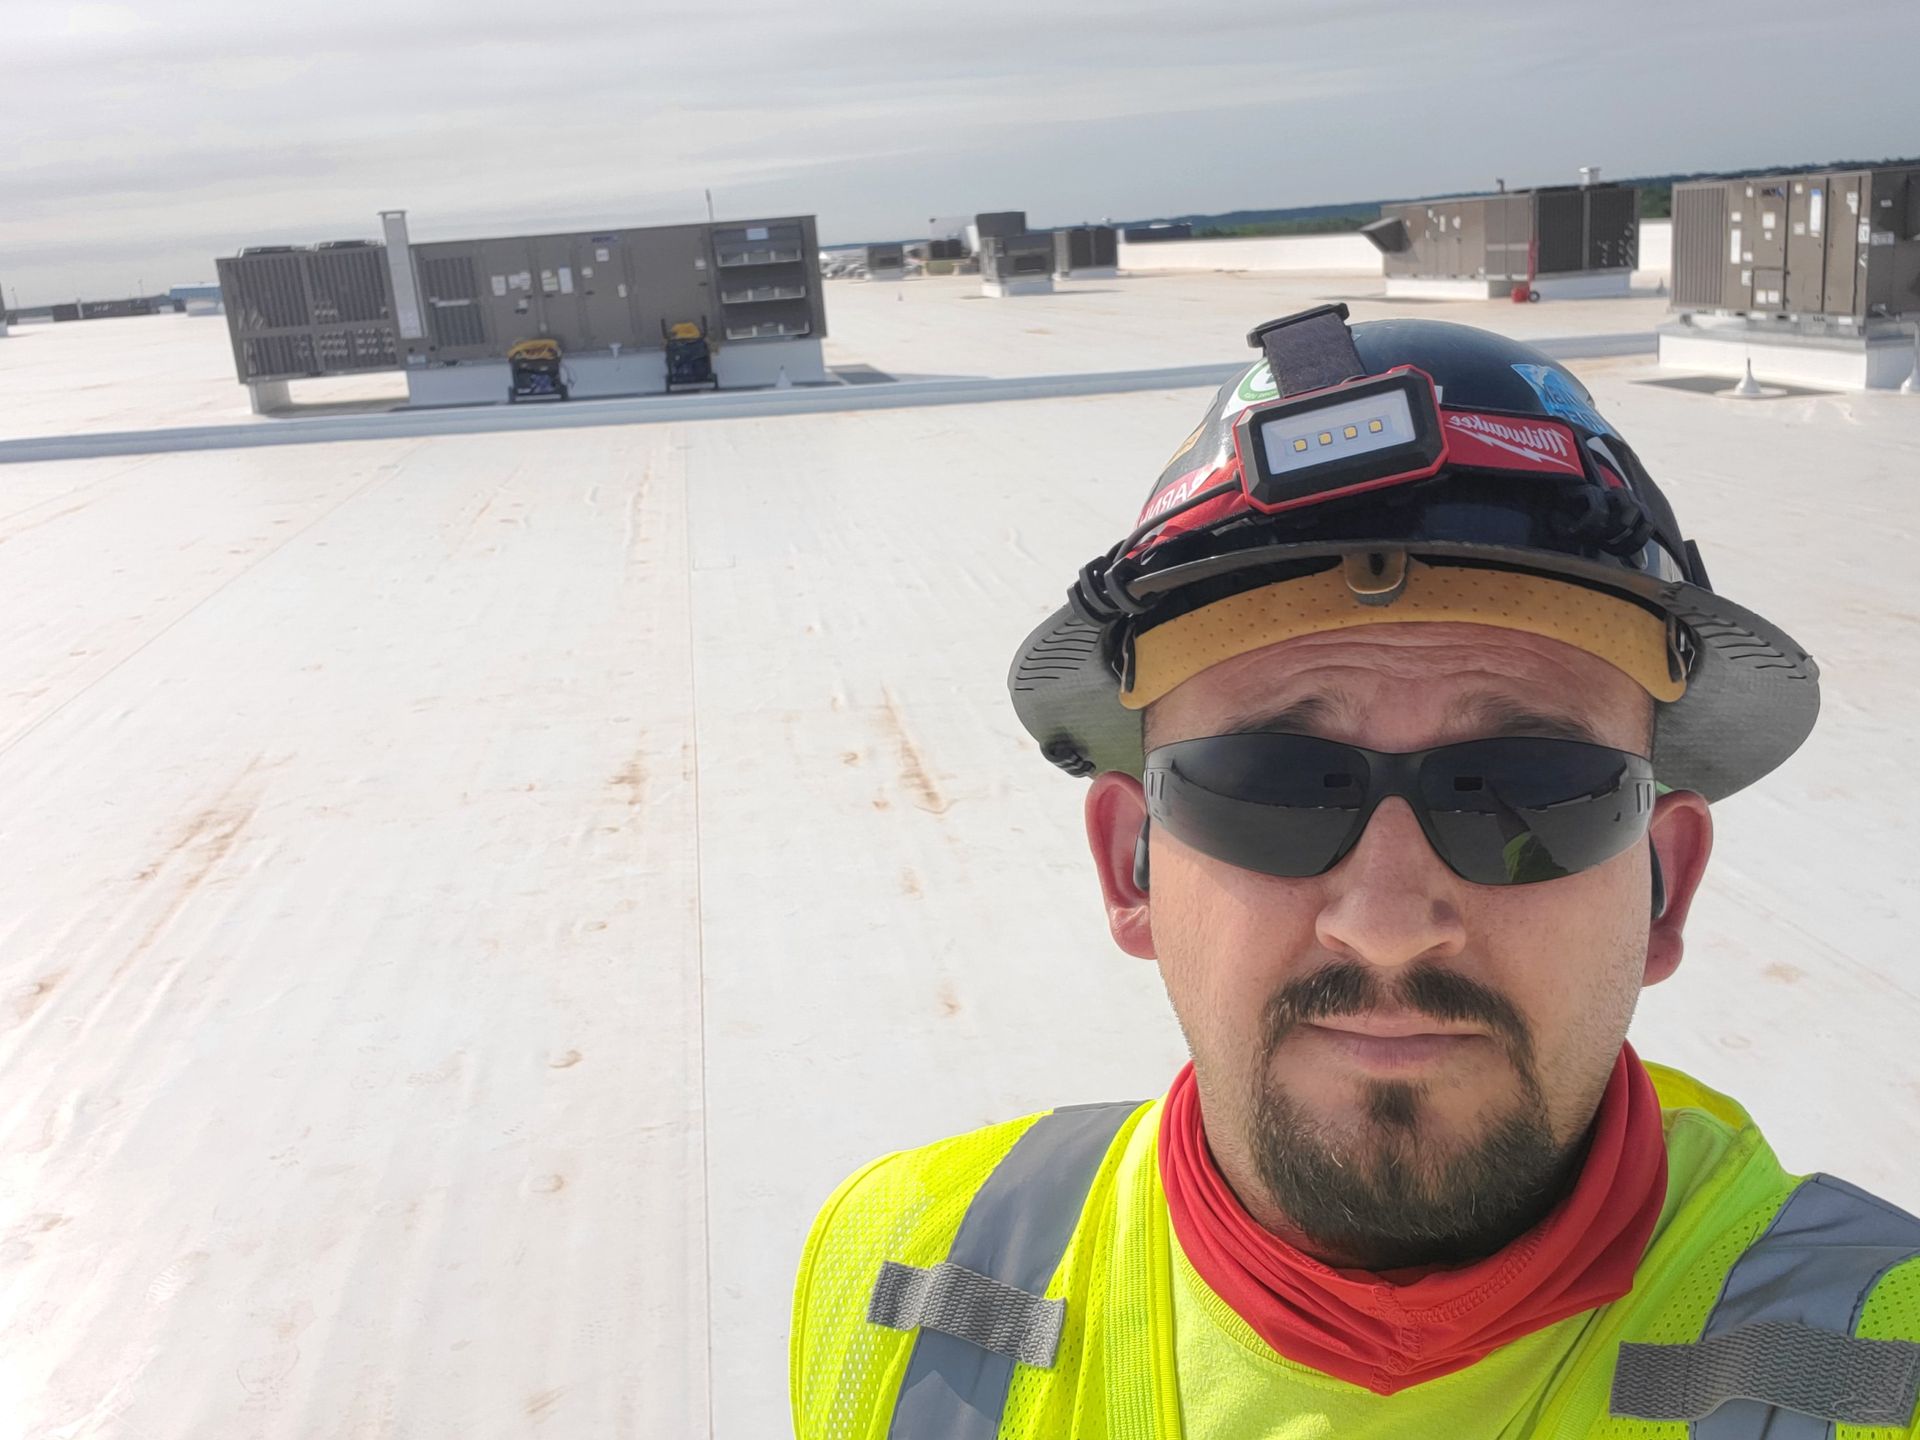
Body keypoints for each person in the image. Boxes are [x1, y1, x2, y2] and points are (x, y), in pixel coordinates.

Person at [789, 307, 1920, 1439]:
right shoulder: (896, 1276)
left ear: (1664, 885)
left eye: (1529, 789)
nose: (1386, 924)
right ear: (1129, 865)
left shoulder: (1888, 1352)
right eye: (1271, 785)